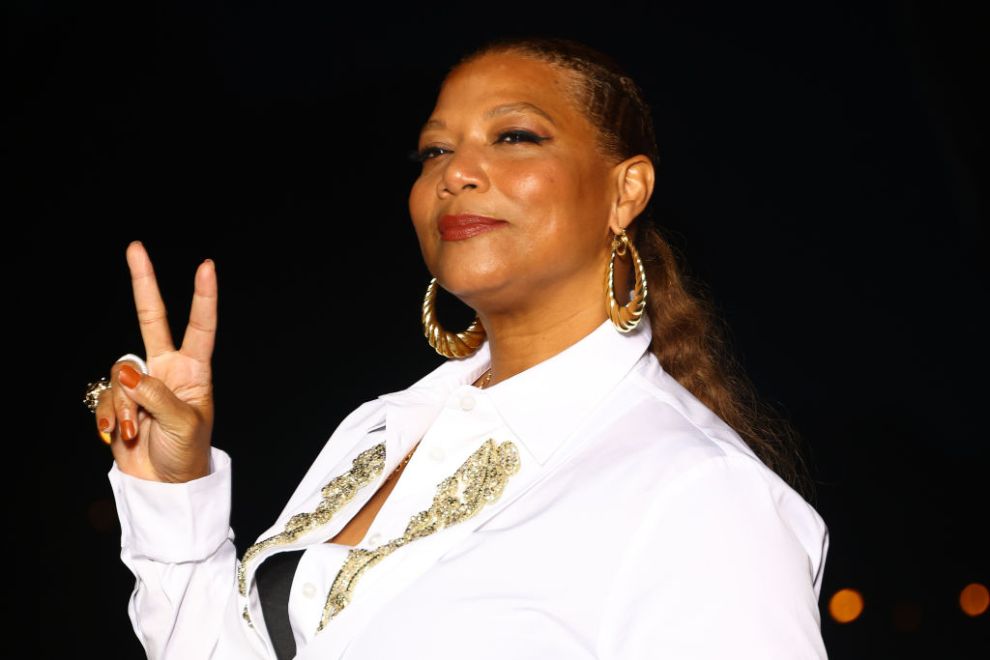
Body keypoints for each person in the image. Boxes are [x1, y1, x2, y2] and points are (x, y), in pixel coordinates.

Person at [86, 36, 829, 659]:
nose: (456, 174)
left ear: (625, 191)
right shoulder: (379, 431)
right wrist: (173, 495)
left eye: (515, 137)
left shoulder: (697, 493)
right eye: (434, 151)